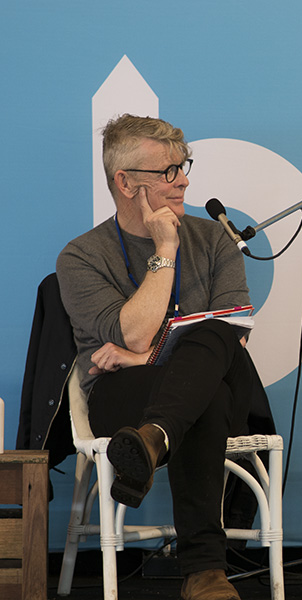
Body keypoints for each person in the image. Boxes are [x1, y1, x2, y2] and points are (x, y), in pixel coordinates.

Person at [56, 114, 263, 600]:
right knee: (201, 400)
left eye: (183, 166)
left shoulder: (214, 239)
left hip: (211, 386)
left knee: (214, 334)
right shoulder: (80, 257)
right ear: (125, 182)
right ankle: (206, 573)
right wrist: (165, 250)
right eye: (168, 171)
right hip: (122, 401)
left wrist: (140, 356)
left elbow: (236, 339)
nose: (184, 179)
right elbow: (134, 328)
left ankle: (153, 441)